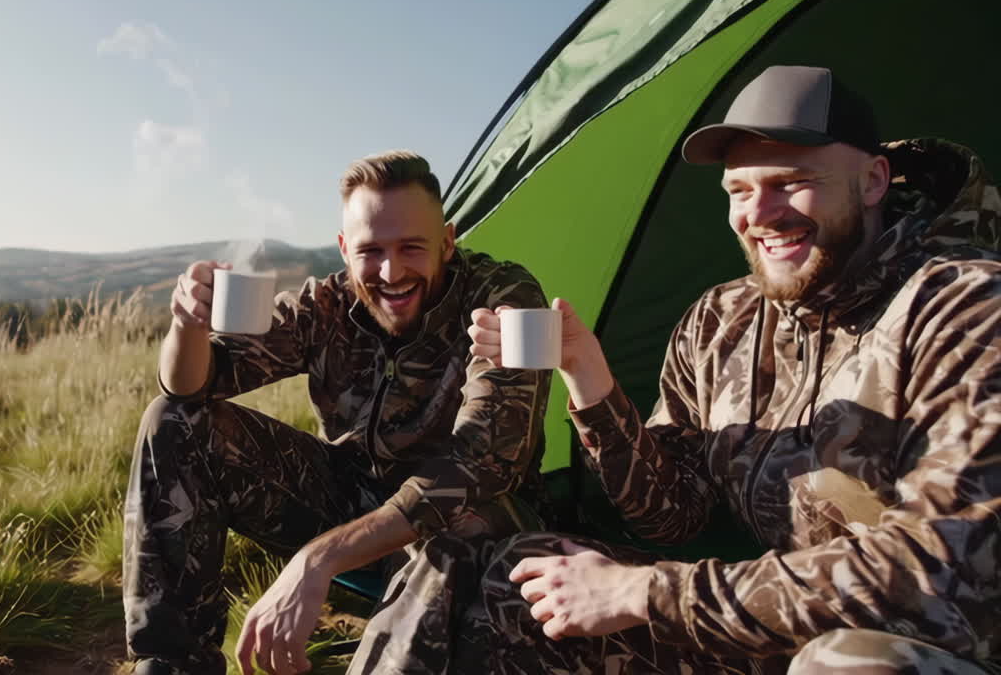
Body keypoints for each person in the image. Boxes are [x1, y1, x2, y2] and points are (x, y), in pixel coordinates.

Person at [361, 66, 1001, 674]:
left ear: (873, 181)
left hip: (932, 648)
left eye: (791, 181)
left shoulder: (966, 309)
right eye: (740, 191)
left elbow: (941, 579)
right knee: (514, 571)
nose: (762, 213)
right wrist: (590, 379)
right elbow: (673, 516)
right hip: (767, 630)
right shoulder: (723, 320)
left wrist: (646, 592)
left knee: (848, 664)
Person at [122, 150, 552, 675]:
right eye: (371, 251)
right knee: (173, 420)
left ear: (447, 240)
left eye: (411, 247)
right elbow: (191, 385)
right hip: (351, 495)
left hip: (462, 520)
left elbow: (485, 463)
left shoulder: (504, 297)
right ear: (346, 250)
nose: (391, 272)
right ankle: (173, 662)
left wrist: (317, 559)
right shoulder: (324, 303)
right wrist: (187, 323)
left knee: (470, 518)